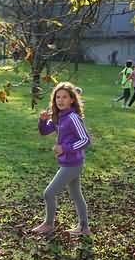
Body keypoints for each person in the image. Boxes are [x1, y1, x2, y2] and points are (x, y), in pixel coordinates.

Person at [32, 82, 91, 236]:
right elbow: (44, 131)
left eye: (64, 97)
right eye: (58, 97)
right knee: (76, 195)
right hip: (68, 162)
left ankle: (49, 224)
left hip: (73, 164)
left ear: (72, 99)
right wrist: (43, 120)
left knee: (49, 193)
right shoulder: (59, 117)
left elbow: (86, 140)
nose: (60, 100)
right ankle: (84, 228)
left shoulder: (72, 117)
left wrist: (64, 148)